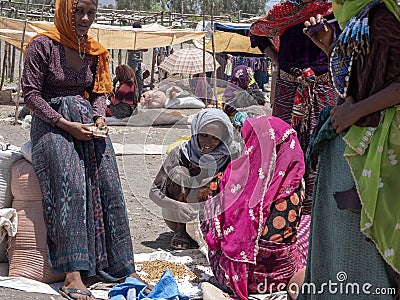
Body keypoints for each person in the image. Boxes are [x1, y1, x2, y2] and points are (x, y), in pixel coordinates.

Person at [21, 0, 149, 299]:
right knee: (70, 183)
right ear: (65, 12)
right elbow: (31, 94)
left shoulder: (94, 51)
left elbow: (99, 94)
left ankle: (123, 267)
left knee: (110, 184)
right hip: (51, 124)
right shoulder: (42, 46)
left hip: (85, 123)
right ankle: (72, 274)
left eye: (91, 13)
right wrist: (65, 124)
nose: (85, 18)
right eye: (78, 12)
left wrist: (100, 117)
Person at [300, 1, 400, 299]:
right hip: (367, 134)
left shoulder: (381, 16)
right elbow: (362, 80)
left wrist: (356, 112)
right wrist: (330, 46)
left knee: (388, 227)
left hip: (389, 140)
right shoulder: (358, 17)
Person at [250, 0, 340, 217]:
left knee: (321, 144)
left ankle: (316, 207)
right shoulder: (283, 12)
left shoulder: (335, 10)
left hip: (323, 88)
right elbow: (256, 33)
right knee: (284, 144)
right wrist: (278, 61)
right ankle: (283, 205)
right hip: (288, 89)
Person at [202, 115, 306, 300]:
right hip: (279, 278)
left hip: (229, 275)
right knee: (308, 226)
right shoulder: (293, 184)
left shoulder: (228, 177)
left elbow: (210, 231)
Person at [149, 108, 234, 250]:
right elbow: (154, 192)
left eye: (215, 138)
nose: (208, 142)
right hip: (180, 214)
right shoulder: (181, 153)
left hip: (213, 213)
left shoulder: (229, 156)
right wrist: (178, 206)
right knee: (179, 172)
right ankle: (183, 233)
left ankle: (214, 231)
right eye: (203, 135)